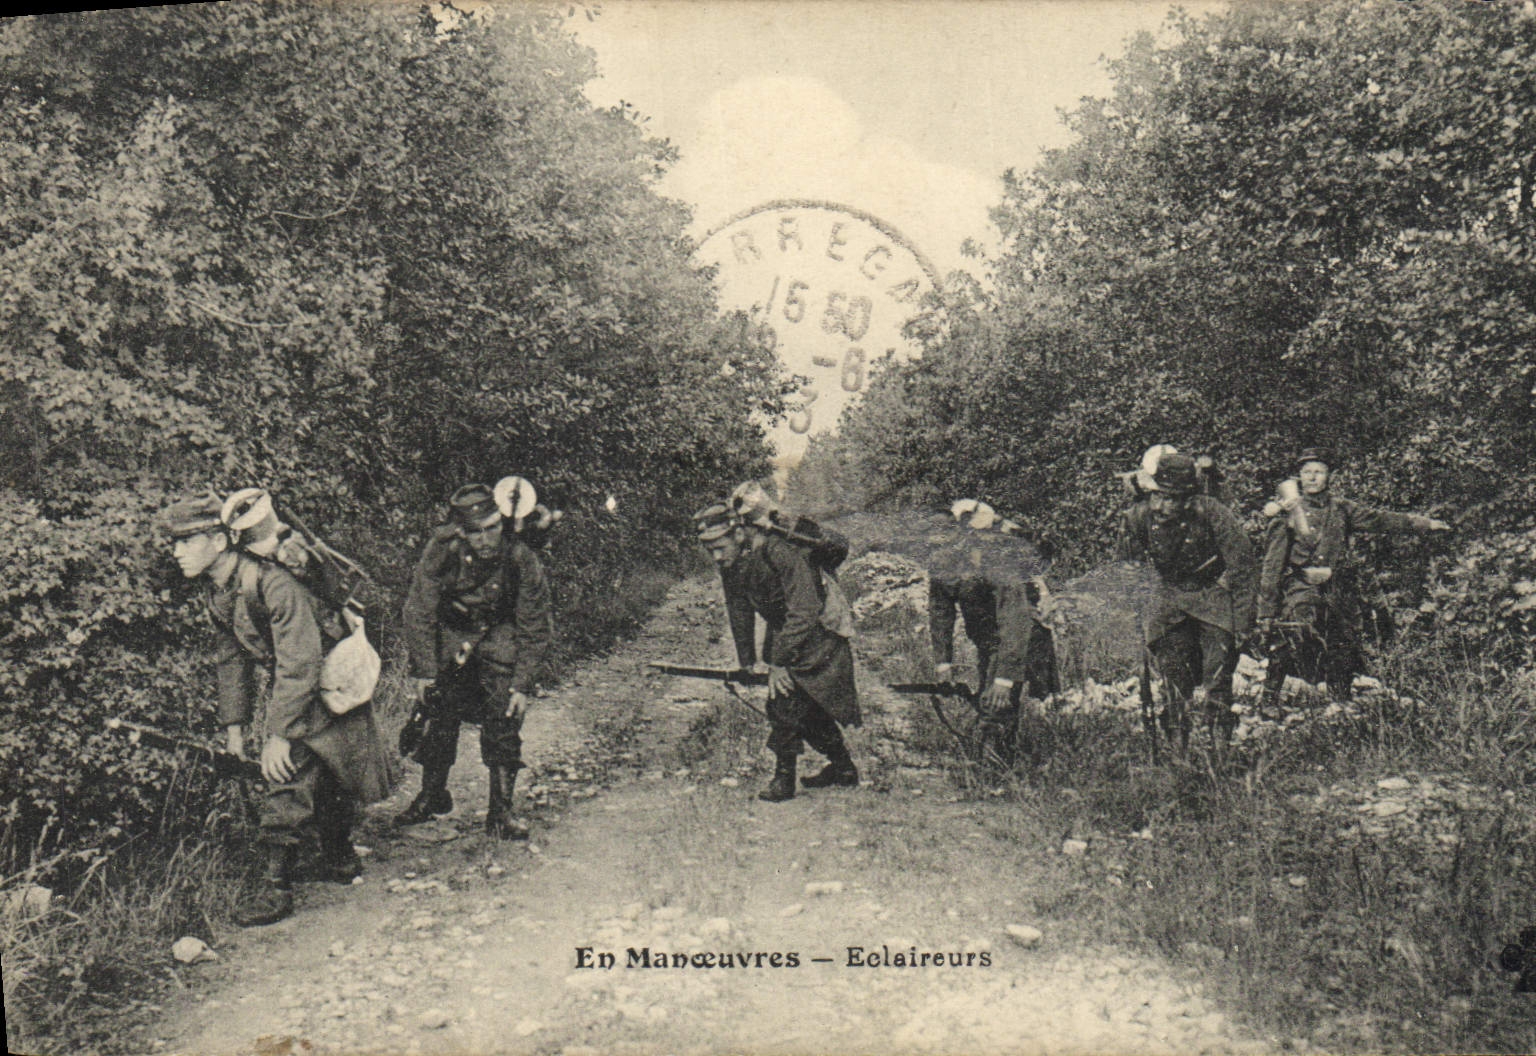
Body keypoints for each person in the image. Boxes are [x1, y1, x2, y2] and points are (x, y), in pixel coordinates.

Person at [163, 493, 391, 927]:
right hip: (302, 683)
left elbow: (300, 660)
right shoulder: (220, 590)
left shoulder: (272, 581)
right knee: (328, 769)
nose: (176, 552)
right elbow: (231, 659)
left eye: (185, 541)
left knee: (285, 773)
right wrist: (233, 728)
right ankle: (340, 858)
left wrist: (278, 736)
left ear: (217, 540)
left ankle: (275, 888)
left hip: (327, 678)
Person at [398, 482, 554, 839]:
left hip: (500, 638)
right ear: (461, 532)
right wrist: (423, 671)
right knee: (438, 710)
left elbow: (535, 623)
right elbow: (418, 608)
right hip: (454, 637)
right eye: (475, 533)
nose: (485, 539)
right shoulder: (442, 550)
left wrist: (522, 684)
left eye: (492, 529)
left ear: (502, 523)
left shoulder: (521, 557)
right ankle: (432, 793)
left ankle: (501, 812)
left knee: (504, 714)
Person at [695, 495, 861, 802]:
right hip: (788, 629)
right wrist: (748, 661)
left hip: (820, 628)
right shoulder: (732, 564)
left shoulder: (779, 550)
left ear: (740, 533)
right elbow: (738, 609)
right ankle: (843, 768)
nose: (716, 556)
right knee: (806, 705)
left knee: (785, 699)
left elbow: (805, 609)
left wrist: (779, 662)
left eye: (720, 547)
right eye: (710, 551)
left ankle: (783, 780)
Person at [1257, 448, 1450, 706]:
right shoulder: (1289, 513)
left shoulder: (1342, 509)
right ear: (1299, 477)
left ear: (1328, 476)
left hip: (1337, 585)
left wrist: (1423, 524)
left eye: (1319, 472)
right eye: (1307, 472)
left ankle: (1340, 701)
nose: (1313, 478)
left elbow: (1380, 520)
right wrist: (1266, 612)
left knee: (1344, 638)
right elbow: (1272, 566)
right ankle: (1269, 699)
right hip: (1302, 585)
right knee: (1294, 631)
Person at [1117, 452, 1257, 753]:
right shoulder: (1139, 517)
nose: (1162, 506)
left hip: (1212, 598)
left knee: (1218, 676)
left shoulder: (1212, 512)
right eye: (1158, 495)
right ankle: (1178, 755)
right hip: (1168, 601)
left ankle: (1220, 754)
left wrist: (1243, 623)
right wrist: (1136, 610)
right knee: (1173, 680)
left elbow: (1243, 566)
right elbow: (1129, 568)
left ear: (1188, 498)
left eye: (1172, 499)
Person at [929, 500, 1058, 764]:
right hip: (990, 639)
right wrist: (943, 663)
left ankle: (996, 770)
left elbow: (1014, 621)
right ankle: (998, 761)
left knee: (997, 702)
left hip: (1022, 635)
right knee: (989, 700)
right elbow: (941, 612)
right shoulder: (941, 563)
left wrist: (1004, 678)